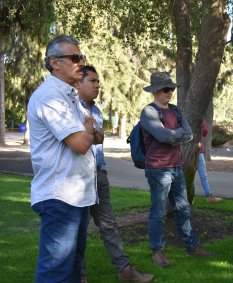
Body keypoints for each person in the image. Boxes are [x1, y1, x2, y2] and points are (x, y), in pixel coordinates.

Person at [27, 35, 98, 282]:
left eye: (82, 57)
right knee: (55, 273)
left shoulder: (71, 97)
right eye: (75, 58)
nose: (81, 62)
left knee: (73, 269)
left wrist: (89, 131)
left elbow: (96, 135)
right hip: (59, 197)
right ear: (54, 62)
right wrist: (88, 130)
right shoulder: (50, 97)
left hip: (76, 196)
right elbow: (81, 143)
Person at [77, 66, 154, 282]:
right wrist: (92, 133)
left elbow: (97, 138)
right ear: (78, 83)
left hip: (99, 175)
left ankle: (125, 271)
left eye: (98, 82)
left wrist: (102, 166)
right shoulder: (71, 109)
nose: (97, 85)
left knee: (109, 225)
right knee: (79, 229)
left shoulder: (97, 111)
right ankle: (80, 276)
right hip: (79, 178)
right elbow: (86, 140)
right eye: (92, 81)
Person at [141, 71, 213, 268]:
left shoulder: (176, 110)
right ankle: (157, 251)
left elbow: (189, 134)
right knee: (158, 212)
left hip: (176, 167)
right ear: (155, 91)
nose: (170, 92)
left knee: (183, 208)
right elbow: (164, 136)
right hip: (158, 169)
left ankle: (191, 246)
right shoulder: (149, 112)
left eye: (171, 88)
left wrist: (174, 135)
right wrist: (174, 135)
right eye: (166, 89)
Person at [197, 120, 223, 203]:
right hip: (197, 150)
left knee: (184, 174)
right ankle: (209, 196)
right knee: (203, 175)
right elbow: (204, 132)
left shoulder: (182, 116)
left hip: (186, 150)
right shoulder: (200, 118)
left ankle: (186, 197)